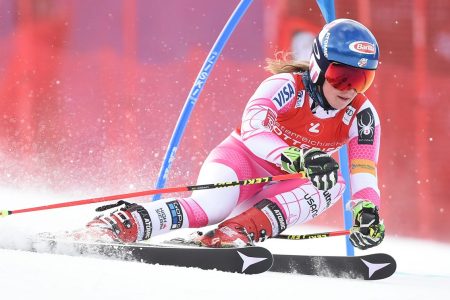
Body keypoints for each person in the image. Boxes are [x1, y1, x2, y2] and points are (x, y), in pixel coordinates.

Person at [81, 18, 385, 250]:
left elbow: (364, 169)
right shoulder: (285, 87)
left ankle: (234, 233)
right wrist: (296, 156)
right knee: (211, 207)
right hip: (241, 164)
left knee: (334, 183)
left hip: (280, 189)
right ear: (318, 67)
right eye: (340, 77)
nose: (349, 89)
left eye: (362, 80)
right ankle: (119, 224)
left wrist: (367, 211)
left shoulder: (362, 116)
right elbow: (254, 129)